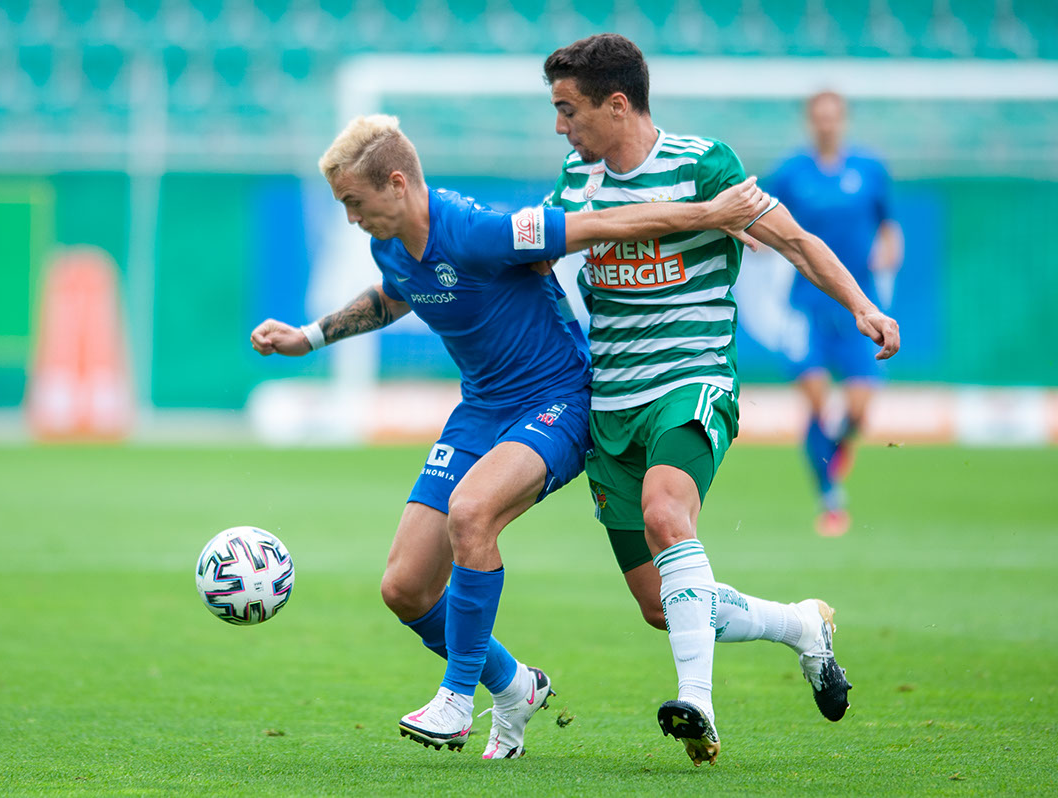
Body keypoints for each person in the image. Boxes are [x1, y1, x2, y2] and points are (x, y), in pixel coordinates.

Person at [250, 114, 770, 760]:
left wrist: (706, 213)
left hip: (557, 401)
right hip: (481, 409)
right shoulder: (390, 246)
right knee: (405, 588)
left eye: (354, 202)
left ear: (396, 183)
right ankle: (515, 686)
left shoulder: (478, 231)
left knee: (471, 513)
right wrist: (309, 337)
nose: (351, 217)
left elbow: (598, 225)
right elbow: (393, 295)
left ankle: (455, 700)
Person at [541, 34, 901, 766]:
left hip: (691, 381)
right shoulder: (576, 181)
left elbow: (794, 241)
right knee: (662, 606)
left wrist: (862, 305)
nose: (559, 126)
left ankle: (697, 704)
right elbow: (534, 257)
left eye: (568, 110)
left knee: (666, 513)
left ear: (618, 105)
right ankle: (801, 625)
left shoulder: (705, 165)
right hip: (611, 404)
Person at [765, 90, 903, 537]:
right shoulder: (791, 173)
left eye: (833, 116)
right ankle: (830, 499)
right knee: (817, 400)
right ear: (810, 121)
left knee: (858, 410)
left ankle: (838, 448)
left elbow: (888, 225)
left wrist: (889, 249)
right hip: (807, 307)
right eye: (819, 117)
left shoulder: (869, 169)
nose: (826, 124)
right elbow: (765, 219)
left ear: (843, 120)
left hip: (858, 307)